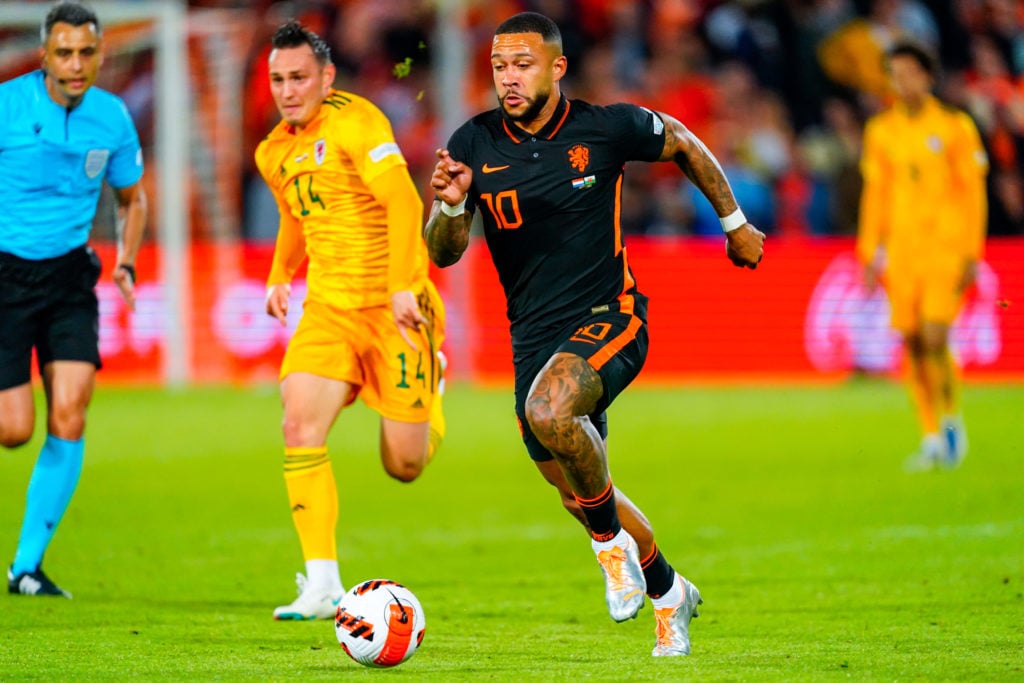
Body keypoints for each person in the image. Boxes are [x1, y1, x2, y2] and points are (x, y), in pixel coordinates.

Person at [424, 12, 764, 656]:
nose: (508, 78)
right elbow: (443, 254)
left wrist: (735, 222)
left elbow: (686, 143)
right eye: (499, 66)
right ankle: (668, 590)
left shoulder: (604, 129)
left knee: (550, 413)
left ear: (556, 68)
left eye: (523, 64)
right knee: (578, 487)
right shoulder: (472, 144)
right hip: (533, 336)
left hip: (611, 316)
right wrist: (447, 204)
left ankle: (609, 552)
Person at [255, 20, 445, 620]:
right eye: (279, 80)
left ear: (326, 77)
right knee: (297, 425)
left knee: (404, 465)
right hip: (329, 310)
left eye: (299, 78)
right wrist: (281, 274)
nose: (288, 91)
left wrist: (399, 288)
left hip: (396, 308)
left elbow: (404, 201)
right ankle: (323, 583)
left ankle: (432, 380)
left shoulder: (357, 122)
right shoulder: (272, 151)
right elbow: (294, 214)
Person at [1, 1, 147, 598]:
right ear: (44, 55)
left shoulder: (112, 119)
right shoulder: (8, 106)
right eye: (64, 52)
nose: (76, 63)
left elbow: (132, 199)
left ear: (101, 53)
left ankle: (26, 568)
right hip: (5, 277)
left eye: (87, 51)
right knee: (13, 429)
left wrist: (128, 261)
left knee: (71, 412)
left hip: (69, 281)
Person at [856, 40, 988, 471]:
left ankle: (952, 425)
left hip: (945, 250)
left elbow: (973, 194)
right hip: (901, 252)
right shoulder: (881, 131)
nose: (902, 81)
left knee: (935, 335)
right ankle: (930, 435)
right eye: (895, 73)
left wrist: (972, 250)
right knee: (912, 342)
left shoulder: (955, 127)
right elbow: (876, 194)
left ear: (927, 76)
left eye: (910, 72)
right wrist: (867, 250)